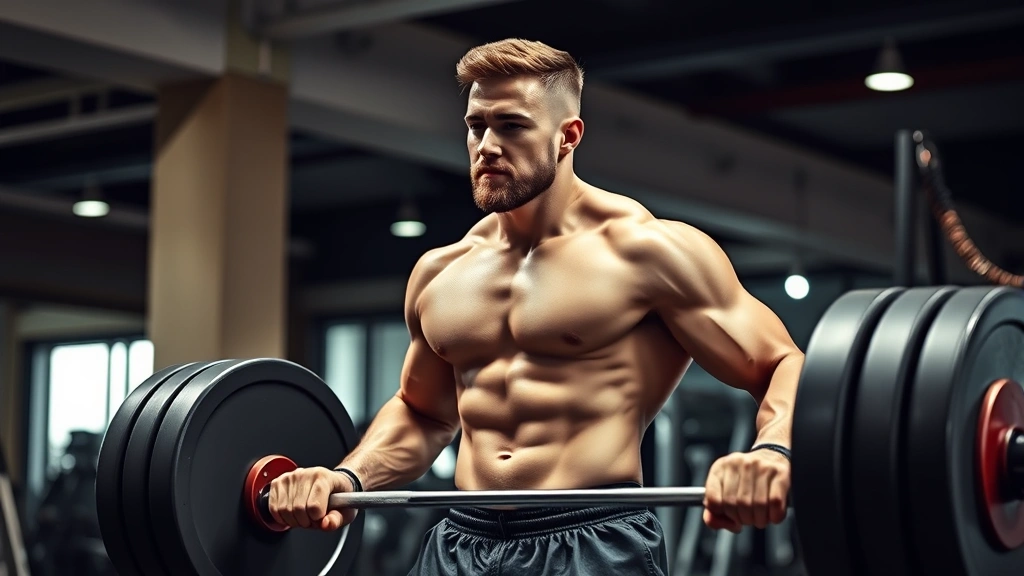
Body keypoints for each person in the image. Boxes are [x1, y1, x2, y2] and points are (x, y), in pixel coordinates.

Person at [268, 38, 804, 575]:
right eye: (476, 125)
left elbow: (782, 363)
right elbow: (423, 412)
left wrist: (771, 453)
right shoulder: (441, 270)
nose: (486, 146)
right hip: (460, 541)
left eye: (512, 126)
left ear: (567, 136)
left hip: (591, 539)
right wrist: (348, 477)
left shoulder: (648, 251)